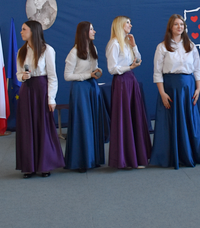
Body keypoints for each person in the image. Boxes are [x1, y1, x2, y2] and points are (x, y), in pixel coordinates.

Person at [151, 15, 200, 169]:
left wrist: (198, 88)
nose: (179, 27)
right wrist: (162, 93)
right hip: (170, 88)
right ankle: (170, 156)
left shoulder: (191, 46)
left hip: (188, 88)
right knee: (171, 122)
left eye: (181, 24)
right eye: (176, 24)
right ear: (170, 27)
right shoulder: (162, 47)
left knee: (190, 121)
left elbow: (197, 68)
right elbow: (157, 73)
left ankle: (190, 154)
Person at [15, 20, 64, 178]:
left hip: (41, 90)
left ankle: (45, 165)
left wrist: (51, 98)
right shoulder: (21, 51)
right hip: (26, 90)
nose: (21, 32)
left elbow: (52, 76)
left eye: (24, 29)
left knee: (42, 125)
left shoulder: (47, 50)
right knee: (27, 127)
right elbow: (18, 73)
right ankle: (28, 166)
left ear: (33, 31)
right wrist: (22, 76)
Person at [106, 16, 152, 169]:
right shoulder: (114, 44)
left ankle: (137, 156)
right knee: (124, 118)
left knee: (134, 116)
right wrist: (129, 68)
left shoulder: (127, 42)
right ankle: (126, 158)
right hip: (121, 82)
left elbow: (138, 60)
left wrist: (134, 45)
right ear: (120, 25)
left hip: (131, 80)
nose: (130, 25)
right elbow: (112, 68)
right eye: (127, 22)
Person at [63, 21, 108, 171]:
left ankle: (93, 158)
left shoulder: (93, 48)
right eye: (91, 29)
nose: (94, 32)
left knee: (93, 122)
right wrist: (88, 75)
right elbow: (67, 76)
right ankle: (81, 160)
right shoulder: (74, 52)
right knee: (83, 123)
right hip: (80, 90)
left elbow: (94, 68)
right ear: (84, 32)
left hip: (92, 88)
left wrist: (97, 72)